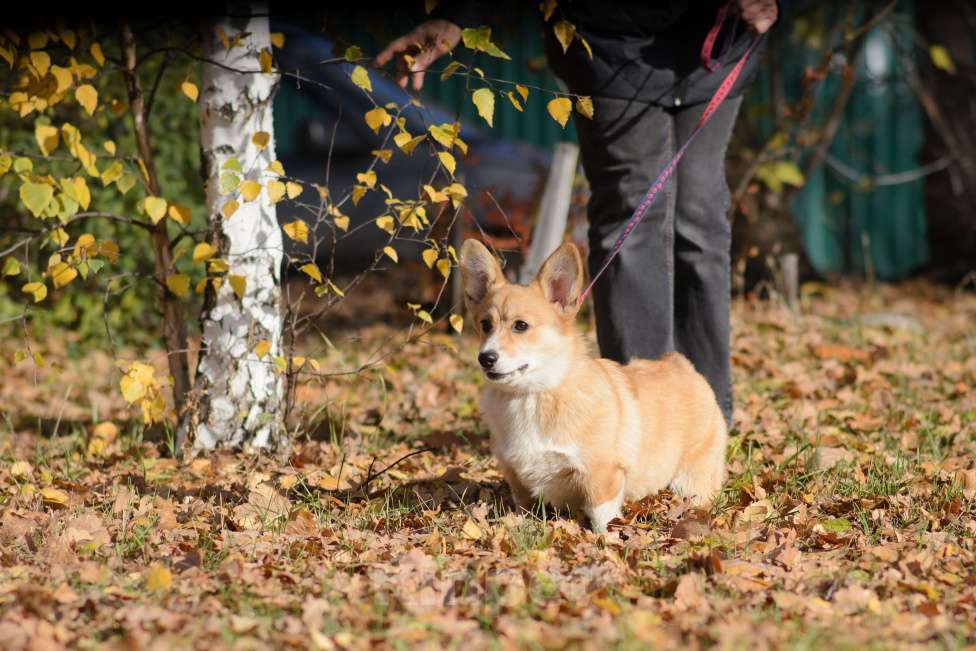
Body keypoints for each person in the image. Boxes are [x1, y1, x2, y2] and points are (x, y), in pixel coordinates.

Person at [374, 1, 780, 428]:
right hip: (610, 48)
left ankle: (708, 419)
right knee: (633, 210)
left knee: (700, 215)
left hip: (717, 44)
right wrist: (457, 15)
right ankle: (641, 417)